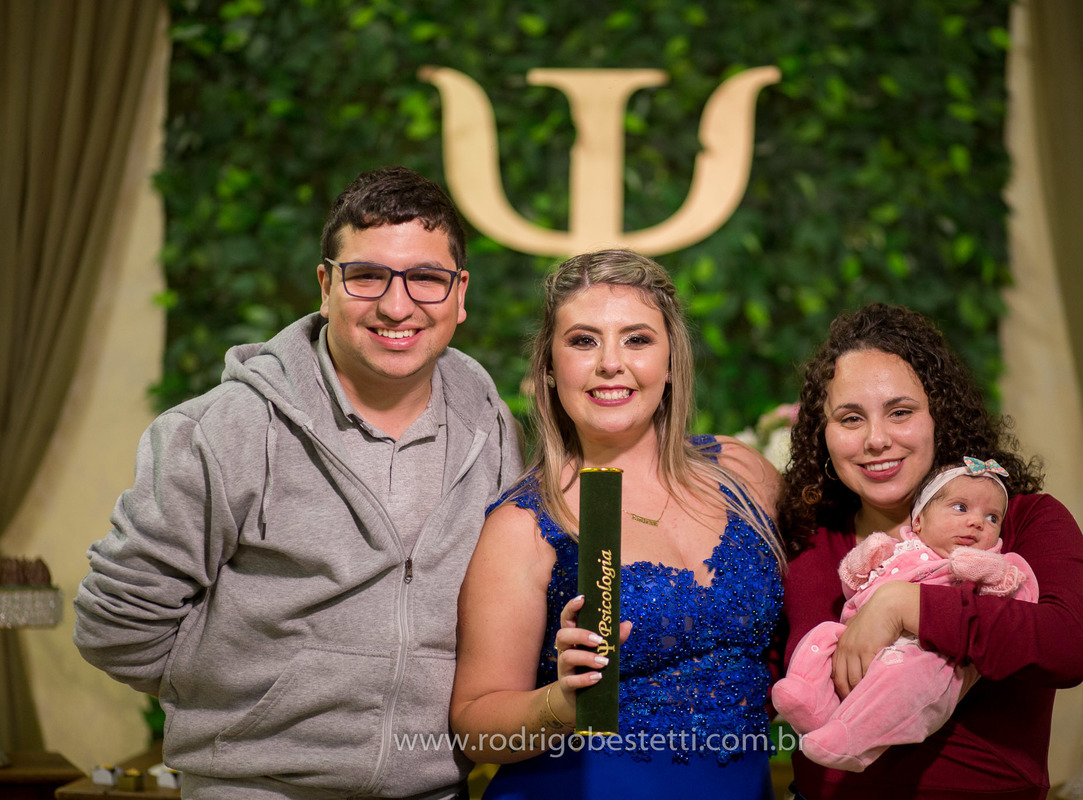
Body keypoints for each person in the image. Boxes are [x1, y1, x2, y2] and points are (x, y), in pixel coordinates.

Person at [74, 165, 523, 800]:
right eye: (367, 276)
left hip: (433, 789)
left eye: (426, 278)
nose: (398, 306)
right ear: (325, 285)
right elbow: (115, 624)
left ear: (459, 292)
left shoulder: (492, 428)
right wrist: (249, 708)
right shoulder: (226, 429)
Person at [449, 249, 785, 799]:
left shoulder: (741, 474)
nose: (611, 363)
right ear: (550, 369)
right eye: (583, 341)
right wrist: (558, 703)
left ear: (672, 362)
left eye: (637, 339)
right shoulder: (526, 524)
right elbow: (475, 723)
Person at [775, 303, 1083, 800]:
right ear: (823, 436)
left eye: (900, 412)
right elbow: (751, 667)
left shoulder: (1021, 521)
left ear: (939, 416)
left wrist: (906, 605)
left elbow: (1070, 646)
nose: (876, 439)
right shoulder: (811, 539)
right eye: (850, 418)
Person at [773, 456, 1038, 772]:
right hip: (859, 634)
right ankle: (812, 701)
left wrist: (988, 570)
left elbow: (1020, 598)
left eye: (992, 517)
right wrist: (864, 561)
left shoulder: (996, 562)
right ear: (919, 521)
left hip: (924, 650)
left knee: (906, 675)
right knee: (823, 636)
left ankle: (856, 740)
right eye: (960, 508)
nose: (978, 522)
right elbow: (853, 584)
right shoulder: (903, 550)